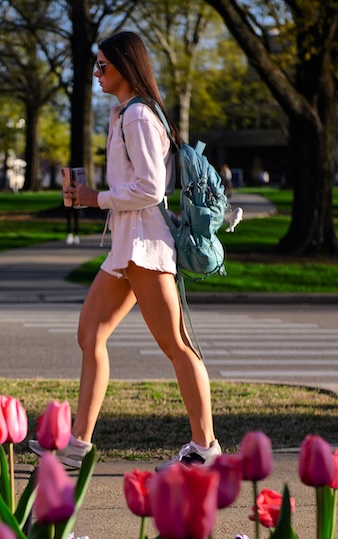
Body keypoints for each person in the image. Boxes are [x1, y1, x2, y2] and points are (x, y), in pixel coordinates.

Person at [29, 31, 221, 471]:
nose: (96, 73)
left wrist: (97, 197)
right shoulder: (126, 114)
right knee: (90, 333)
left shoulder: (136, 116)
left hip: (145, 246)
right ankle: (78, 443)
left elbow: (151, 188)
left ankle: (206, 447)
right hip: (127, 245)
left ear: (124, 66)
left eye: (103, 66)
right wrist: (95, 196)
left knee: (177, 345)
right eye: (95, 66)